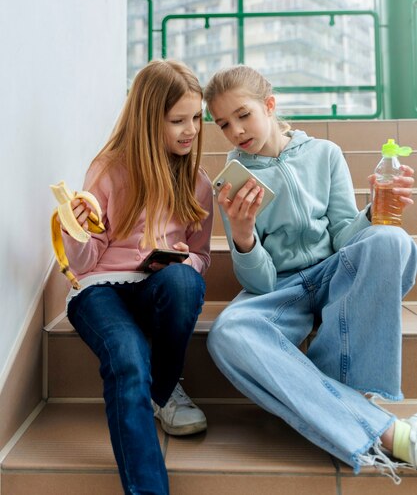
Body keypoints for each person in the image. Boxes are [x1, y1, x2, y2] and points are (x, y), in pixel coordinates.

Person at [204, 64, 417, 483]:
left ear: (269, 105)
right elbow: (258, 284)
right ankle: (386, 429)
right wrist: (244, 237)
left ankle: (332, 394)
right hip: (280, 288)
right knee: (227, 333)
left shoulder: (325, 154)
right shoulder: (231, 182)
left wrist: (375, 211)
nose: (236, 131)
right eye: (223, 124)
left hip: (333, 271)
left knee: (392, 240)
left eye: (243, 115)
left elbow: (343, 238)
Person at [60, 60, 213, 495]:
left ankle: (160, 392)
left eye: (196, 118)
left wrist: (185, 262)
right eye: (178, 120)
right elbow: (85, 262)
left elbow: (203, 257)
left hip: (158, 286)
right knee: (126, 358)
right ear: (149, 119)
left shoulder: (198, 182)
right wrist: (75, 229)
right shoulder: (109, 169)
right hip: (98, 291)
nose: (191, 129)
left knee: (184, 283)